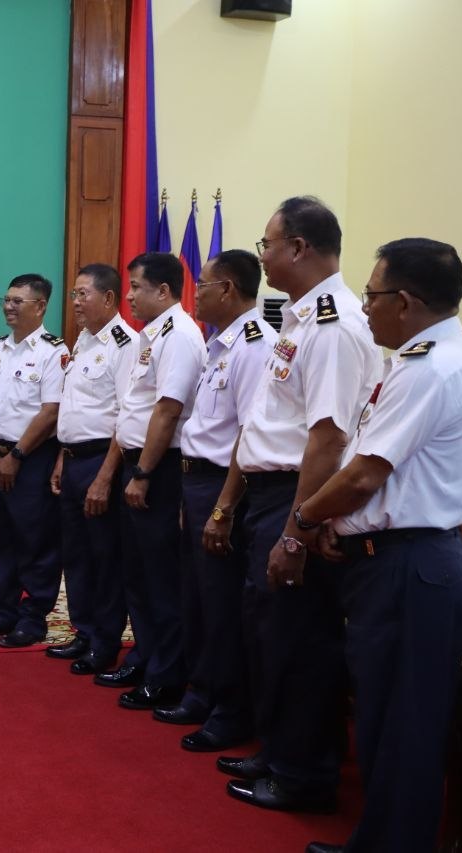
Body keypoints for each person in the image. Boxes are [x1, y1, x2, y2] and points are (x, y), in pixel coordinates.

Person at [292, 239, 462, 853]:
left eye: (372, 295)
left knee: (403, 720)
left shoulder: (430, 369)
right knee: (386, 713)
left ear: (406, 302)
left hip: (409, 564)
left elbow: (365, 474)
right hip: (396, 559)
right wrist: (336, 523)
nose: (364, 307)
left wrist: (305, 518)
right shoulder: (424, 360)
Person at [216, 196, 381, 814]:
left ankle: (304, 774)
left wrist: (296, 531)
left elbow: (329, 438)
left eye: (268, 243)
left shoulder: (334, 326)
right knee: (269, 632)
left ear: (300, 248)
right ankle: (279, 749)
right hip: (270, 496)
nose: (262, 255)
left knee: (299, 639)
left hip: (295, 497)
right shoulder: (300, 318)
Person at [169, 250, 276, 752]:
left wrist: (223, 507)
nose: (196, 295)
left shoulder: (255, 346)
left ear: (228, 289)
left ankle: (231, 711)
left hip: (223, 487)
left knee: (222, 603)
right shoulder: (221, 344)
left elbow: (248, 434)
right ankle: (203, 691)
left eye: (204, 285)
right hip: (197, 482)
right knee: (196, 598)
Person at [108, 252, 205, 711]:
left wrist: (144, 473)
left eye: (136, 287)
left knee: (162, 579)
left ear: (163, 291)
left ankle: (167, 675)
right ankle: (145, 658)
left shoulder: (180, 335)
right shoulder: (152, 335)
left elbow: (167, 410)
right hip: (137, 466)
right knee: (138, 574)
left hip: (158, 470)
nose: (128, 296)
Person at [0, 274, 66, 648]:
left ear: (40, 306)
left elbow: (51, 411)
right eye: (6, 300)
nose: (8, 307)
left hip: (33, 458)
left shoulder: (54, 352)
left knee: (35, 538)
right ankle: (2, 611)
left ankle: (33, 617)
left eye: (17, 301)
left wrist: (18, 455)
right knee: (0, 535)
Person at [48, 264, 137, 674]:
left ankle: (104, 641)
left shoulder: (125, 344)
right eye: (74, 294)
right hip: (73, 459)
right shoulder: (83, 339)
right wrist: (62, 457)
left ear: (109, 298)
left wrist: (105, 476)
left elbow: (125, 416)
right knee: (77, 554)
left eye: (83, 294)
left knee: (104, 556)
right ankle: (83, 631)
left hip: (102, 461)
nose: (76, 303)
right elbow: (74, 408)